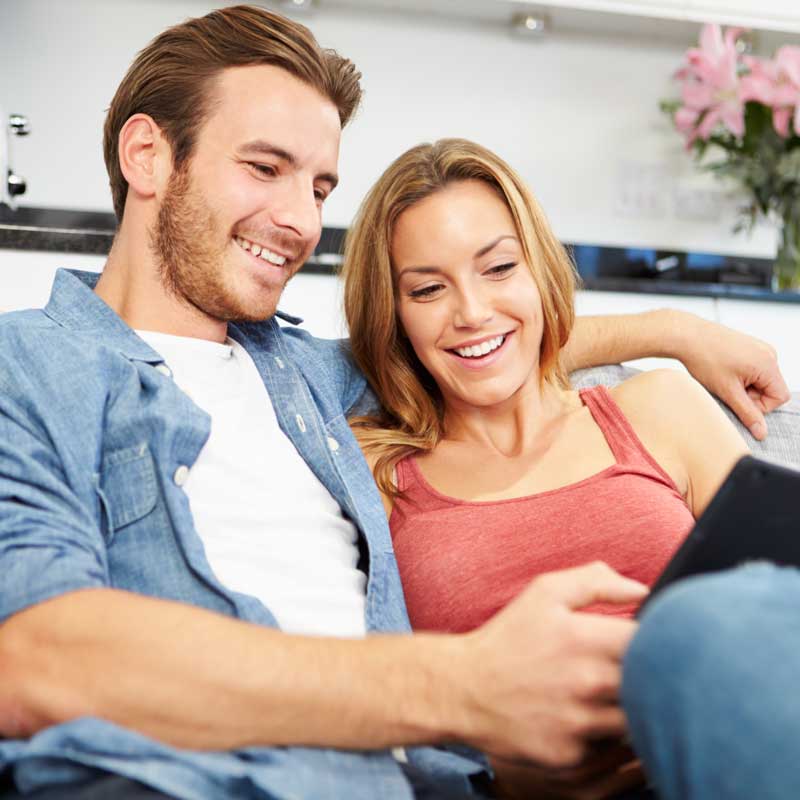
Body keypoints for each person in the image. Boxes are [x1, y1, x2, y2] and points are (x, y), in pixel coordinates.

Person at [0, 6, 790, 800]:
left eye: (318, 186)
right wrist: (466, 685)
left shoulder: (306, 376)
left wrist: (674, 331)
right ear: (147, 155)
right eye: (265, 167)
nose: (303, 221)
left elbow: (477, 344)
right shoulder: (29, 367)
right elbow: (31, 658)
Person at [340, 137, 798, 800]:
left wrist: (672, 329)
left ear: (538, 271)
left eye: (498, 269)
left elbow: (778, 590)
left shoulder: (657, 408)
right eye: (429, 289)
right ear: (395, 315)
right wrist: (496, 779)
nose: (471, 312)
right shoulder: (372, 468)